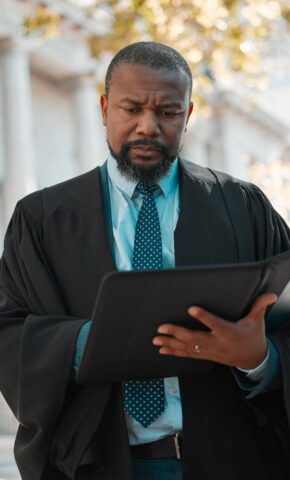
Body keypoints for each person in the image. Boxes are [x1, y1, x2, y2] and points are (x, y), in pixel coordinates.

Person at [0, 41, 290, 480]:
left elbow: (285, 318)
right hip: (98, 462)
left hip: (228, 457)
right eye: (130, 109)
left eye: (167, 113)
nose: (147, 127)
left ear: (188, 115)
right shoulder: (42, 218)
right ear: (104, 108)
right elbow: (9, 329)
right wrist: (91, 343)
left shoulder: (243, 207)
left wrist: (259, 358)